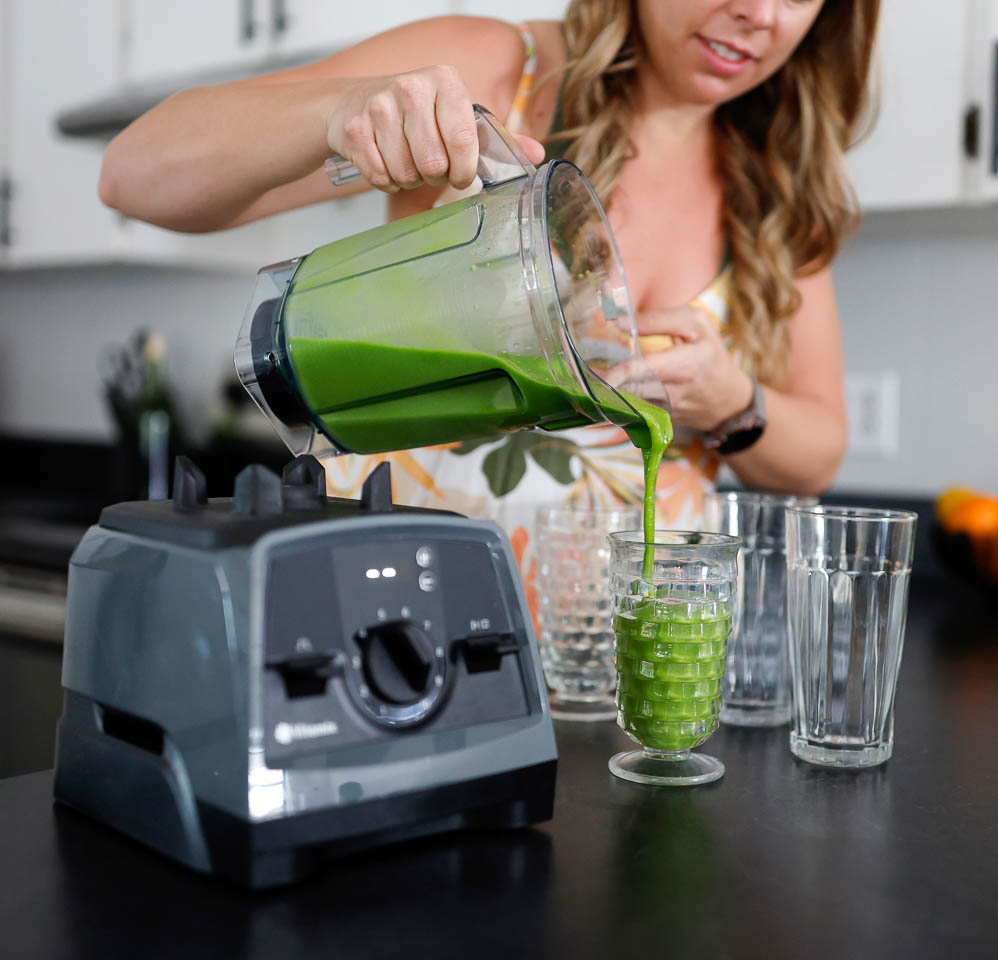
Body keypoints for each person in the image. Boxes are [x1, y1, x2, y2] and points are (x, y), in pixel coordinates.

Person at [99, 0, 880, 613]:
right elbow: (134, 175)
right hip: (399, 619)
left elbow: (818, 453)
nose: (762, 13)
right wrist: (339, 112)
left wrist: (733, 401)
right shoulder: (505, 73)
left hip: (623, 685)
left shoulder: (776, 182)